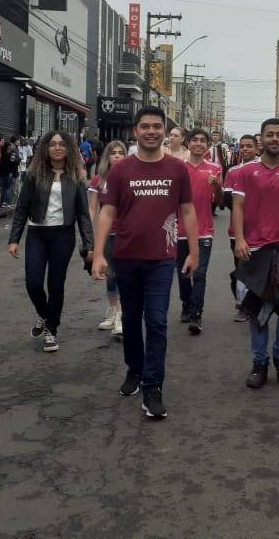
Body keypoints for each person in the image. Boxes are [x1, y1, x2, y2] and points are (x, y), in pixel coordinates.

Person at [92, 106, 199, 420]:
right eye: (145, 127)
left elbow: (188, 211)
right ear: (135, 131)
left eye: (157, 126)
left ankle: (154, 386)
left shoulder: (177, 169)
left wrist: (193, 252)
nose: (151, 131)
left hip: (162, 259)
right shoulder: (122, 169)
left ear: (164, 130)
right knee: (132, 320)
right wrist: (99, 253)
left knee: (156, 320)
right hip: (126, 257)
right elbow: (107, 213)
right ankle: (134, 371)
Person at [232, 118, 279, 389]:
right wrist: (240, 240)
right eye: (269, 134)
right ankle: (259, 362)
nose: (274, 139)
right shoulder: (245, 171)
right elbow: (237, 207)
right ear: (261, 138)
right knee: (257, 309)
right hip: (254, 249)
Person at [9, 130, 94, 355]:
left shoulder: (76, 177)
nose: (57, 148)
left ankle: (51, 330)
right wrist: (14, 239)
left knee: (56, 285)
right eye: (53, 144)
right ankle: (45, 314)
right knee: (34, 283)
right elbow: (22, 208)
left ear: (69, 149)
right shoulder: (34, 174)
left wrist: (90, 245)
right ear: (45, 148)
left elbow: (84, 214)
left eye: (62, 144)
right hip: (37, 234)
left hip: (62, 236)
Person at [177, 129, 223, 334]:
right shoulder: (178, 168)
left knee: (201, 273)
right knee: (184, 273)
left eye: (202, 141)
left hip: (204, 230)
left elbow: (220, 204)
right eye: (194, 140)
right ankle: (186, 304)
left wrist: (218, 187)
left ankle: (196, 314)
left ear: (208, 145)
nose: (198, 143)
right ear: (187, 144)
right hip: (179, 230)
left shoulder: (215, 169)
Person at [88, 140, 128, 338]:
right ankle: (113, 310)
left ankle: (122, 314)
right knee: (109, 274)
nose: (118, 155)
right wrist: (90, 235)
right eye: (114, 152)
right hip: (107, 235)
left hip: (126, 234)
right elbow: (92, 208)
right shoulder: (98, 180)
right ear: (108, 156)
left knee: (122, 274)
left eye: (121, 152)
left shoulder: (131, 177)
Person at [223, 134, 259, 323]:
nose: (245, 149)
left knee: (259, 269)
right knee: (241, 269)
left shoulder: (264, 169)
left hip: (261, 231)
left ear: (256, 149)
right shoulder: (232, 171)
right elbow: (229, 201)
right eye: (242, 146)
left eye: (249, 146)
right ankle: (243, 306)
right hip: (236, 230)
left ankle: (255, 304)